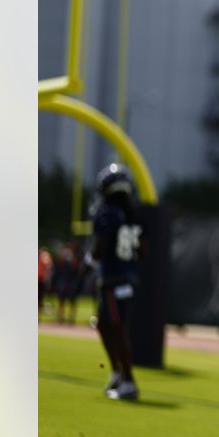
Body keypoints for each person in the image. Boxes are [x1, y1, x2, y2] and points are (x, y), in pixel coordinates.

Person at [87, 164, 143, 401]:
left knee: (117, 329)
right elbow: (143, 250)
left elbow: (100, 250)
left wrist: (90, 260)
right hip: (127, 277)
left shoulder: (109, 213)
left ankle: (128, 380)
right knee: (105, 325)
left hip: (113, 278)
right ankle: (118, 374)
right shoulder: (132, 215)